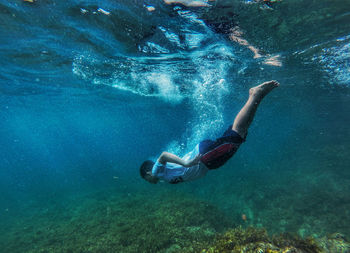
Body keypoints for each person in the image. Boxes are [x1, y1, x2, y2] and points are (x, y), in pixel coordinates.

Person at [140, 80, 279, 184]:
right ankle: (258, 97)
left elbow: (164, 155)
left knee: (237, 135)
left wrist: (186, 163)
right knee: (239, 135)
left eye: (147, 179)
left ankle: (254, 95)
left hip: (204, 158)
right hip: (207, 162)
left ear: (148, 173)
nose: (149, 181)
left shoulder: (155, 172)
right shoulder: (163, 176)